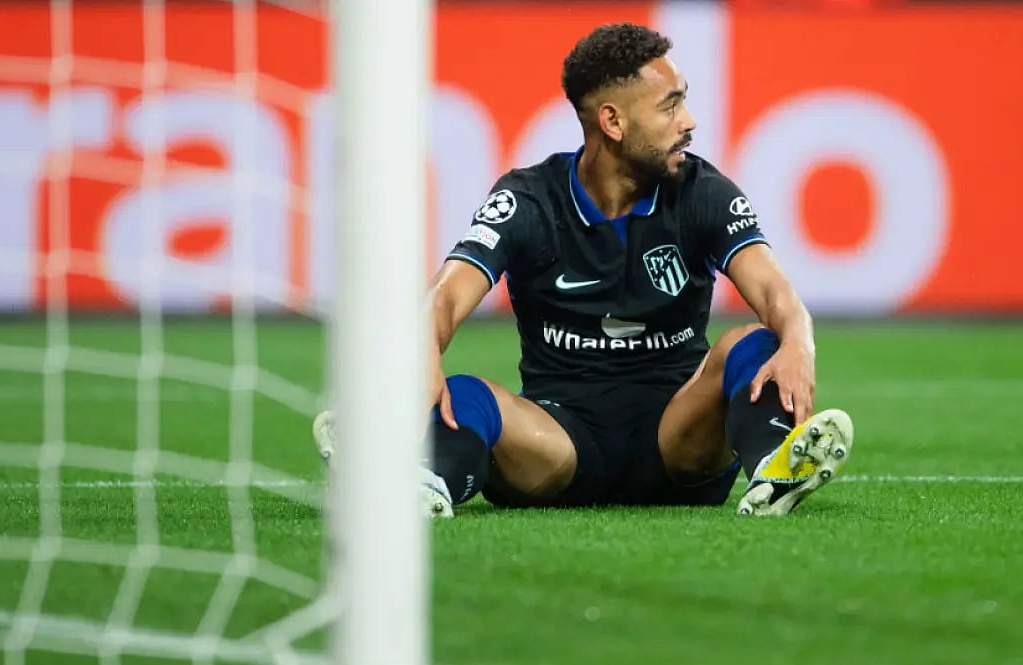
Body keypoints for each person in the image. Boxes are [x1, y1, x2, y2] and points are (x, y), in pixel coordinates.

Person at [315, 22, 853, 517]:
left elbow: (776, 291)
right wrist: (421, 359)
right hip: (558, 441)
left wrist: (799, 343)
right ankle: (417, 483)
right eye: (669, 107)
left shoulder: (701, 191)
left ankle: (774, 472)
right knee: (465, 395)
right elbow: (447, 297)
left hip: (679, 436)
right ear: (613, 121)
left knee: (754, 344)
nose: (688, 122)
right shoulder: (528, 200)